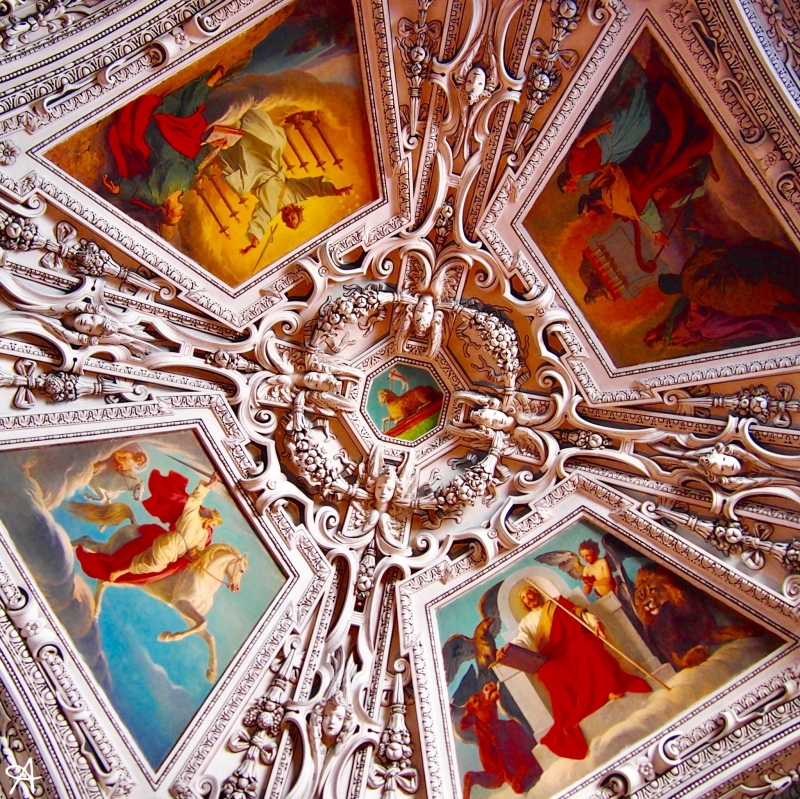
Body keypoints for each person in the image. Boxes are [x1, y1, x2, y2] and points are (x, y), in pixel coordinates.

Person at [496, 584, 650, 760]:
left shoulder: (556, 603)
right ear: (523, 604)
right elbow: (523, 640)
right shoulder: (526, 622)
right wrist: (509, 649)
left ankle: (609, 689)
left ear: (536, 593)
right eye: (524, 597)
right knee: (547, 672)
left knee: (588, 645)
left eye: (529, 593)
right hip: (555, 657)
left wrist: (595, 622)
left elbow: (580, 613)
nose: (528, 597)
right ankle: (575, 710)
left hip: (573, 644)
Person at [102, 66, 231, 226]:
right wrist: (212, 145)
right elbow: (194, 164)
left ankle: (209, 83)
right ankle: (206, 85)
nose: (182, 213)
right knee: (190, 118)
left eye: (178, 216)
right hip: (183, 144)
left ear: (169, 214)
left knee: (187, 114)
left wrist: (119, 189)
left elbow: (135, 189)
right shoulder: (185, 188)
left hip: (161, 145)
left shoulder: (155, 197)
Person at [217, 108, 353, 254]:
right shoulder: (295, 194)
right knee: (275, 143)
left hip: (253, 177)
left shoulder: (271, 210)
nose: (288, 217)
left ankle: (222, 145)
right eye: (293, 217)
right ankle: (247, 118)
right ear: (296, 211)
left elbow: (261, 221)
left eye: (288, 220)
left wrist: (254, 242)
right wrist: (334, 190)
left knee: (240, 187)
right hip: (269, 166)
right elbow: (314, 187)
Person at [75, 470, 222, 585]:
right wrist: (210, 485)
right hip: (169, 544)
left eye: (214, 525)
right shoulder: (192, 517)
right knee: (156, 565)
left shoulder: (203, 536)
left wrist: (193, 555)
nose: (211, 525)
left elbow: (198, 551)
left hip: (177, 553)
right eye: (212, 522)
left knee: (163, 568)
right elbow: (195, 498)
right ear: (208, 517)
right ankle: (121, 571)